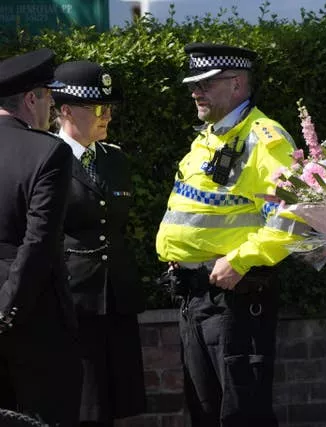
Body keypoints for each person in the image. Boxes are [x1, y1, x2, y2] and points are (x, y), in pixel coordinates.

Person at [155, 43, 308, 427]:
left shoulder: (265, 138)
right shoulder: (208, 138)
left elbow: (293, 219)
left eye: (205, 84)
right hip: (195, 295)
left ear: (237, 83)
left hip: (235, 298)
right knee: (205, 411)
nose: (195, 92)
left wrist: (239, 260)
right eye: (193, 84)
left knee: (241, 413)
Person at [52, 60, 146, 427]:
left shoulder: (114, 159)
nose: (106, 115)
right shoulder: (48, 158)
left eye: (109, 107)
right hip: (75, 300)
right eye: (96, 108)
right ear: (65, 110)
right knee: (82, 405)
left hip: (117, 299)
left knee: (115, 402)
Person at [0, 48, 82, 426]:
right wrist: (6, 310)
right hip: (34, 320)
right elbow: (40, 243)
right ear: (31, 99)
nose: (51, 106)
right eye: (50, 96)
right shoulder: (48, 152)